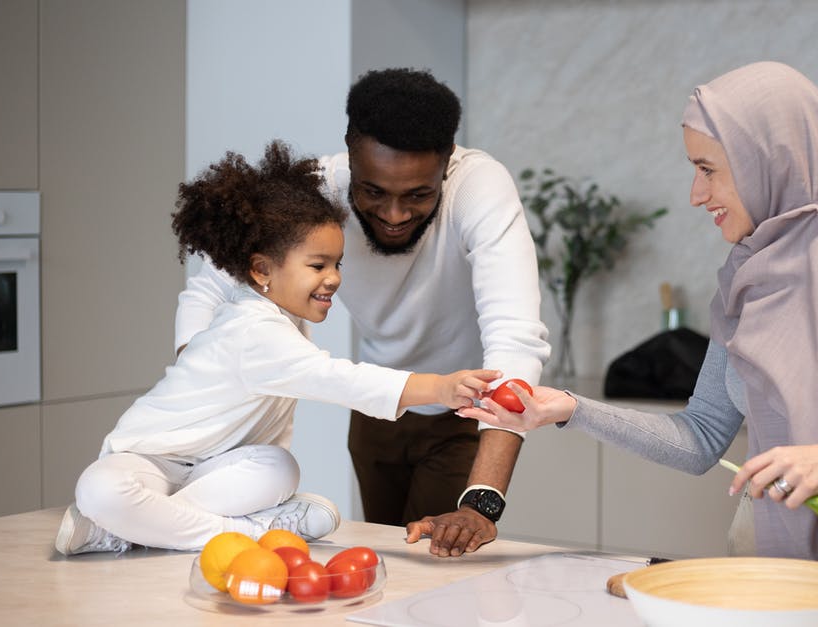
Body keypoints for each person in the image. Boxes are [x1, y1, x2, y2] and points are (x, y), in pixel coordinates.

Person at [462, 62, 818, 592]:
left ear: (768, 161)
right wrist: (570, 408)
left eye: (708, 170)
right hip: (770, 569)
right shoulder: (745, 280)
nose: (695, 195)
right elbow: (701, 438)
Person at [55, 140, 499, 555]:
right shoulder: (253, 331)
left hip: (215, 469)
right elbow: (338, 379)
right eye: (318, 265)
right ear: (262, 269)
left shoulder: (278, 317)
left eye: (337, 264)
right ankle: (252, 533)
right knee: (100, 488)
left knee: (277, 468)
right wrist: (440, 387)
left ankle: (124, 532)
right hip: (152, 462)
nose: (334, 278)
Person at [175, 68, 550, 557]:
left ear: (446, 163)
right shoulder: (316, 188)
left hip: (467, 411)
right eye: (373, 192)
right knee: (387, 559)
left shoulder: (479, 186)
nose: (394, 215)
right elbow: (210, 283)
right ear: (349, 151)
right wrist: (193, 384)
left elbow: (515, 337)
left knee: (432, 565)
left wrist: (482, 502)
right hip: (377, 409)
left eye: (418, 194)